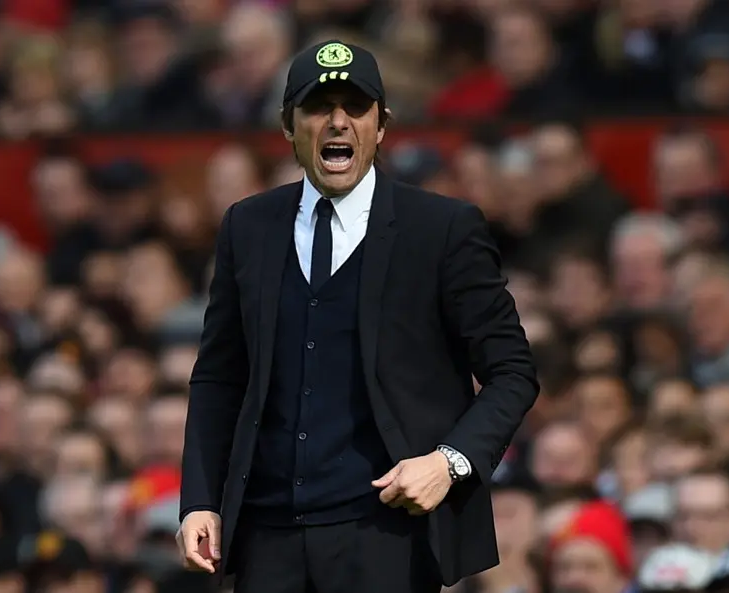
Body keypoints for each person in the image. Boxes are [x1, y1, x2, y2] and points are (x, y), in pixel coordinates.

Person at [176, 40, 539, 593]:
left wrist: (449, 461)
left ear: (383, 124)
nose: (338, 123)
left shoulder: (440, 229)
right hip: (266, 535)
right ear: (287, 125)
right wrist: (200, 499)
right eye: (320, 108)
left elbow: (512, 371)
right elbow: (219, 376)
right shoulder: (247, 227)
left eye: (356, 107)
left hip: (387, 535)